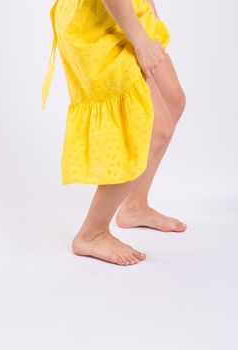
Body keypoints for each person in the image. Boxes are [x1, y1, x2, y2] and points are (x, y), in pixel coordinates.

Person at [42, 0, 187, 266]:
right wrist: (141, 41)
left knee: (173, 99)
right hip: (95, 21)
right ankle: (92, 232)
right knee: (156, 126)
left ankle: (134, 206)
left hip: (128, 10)